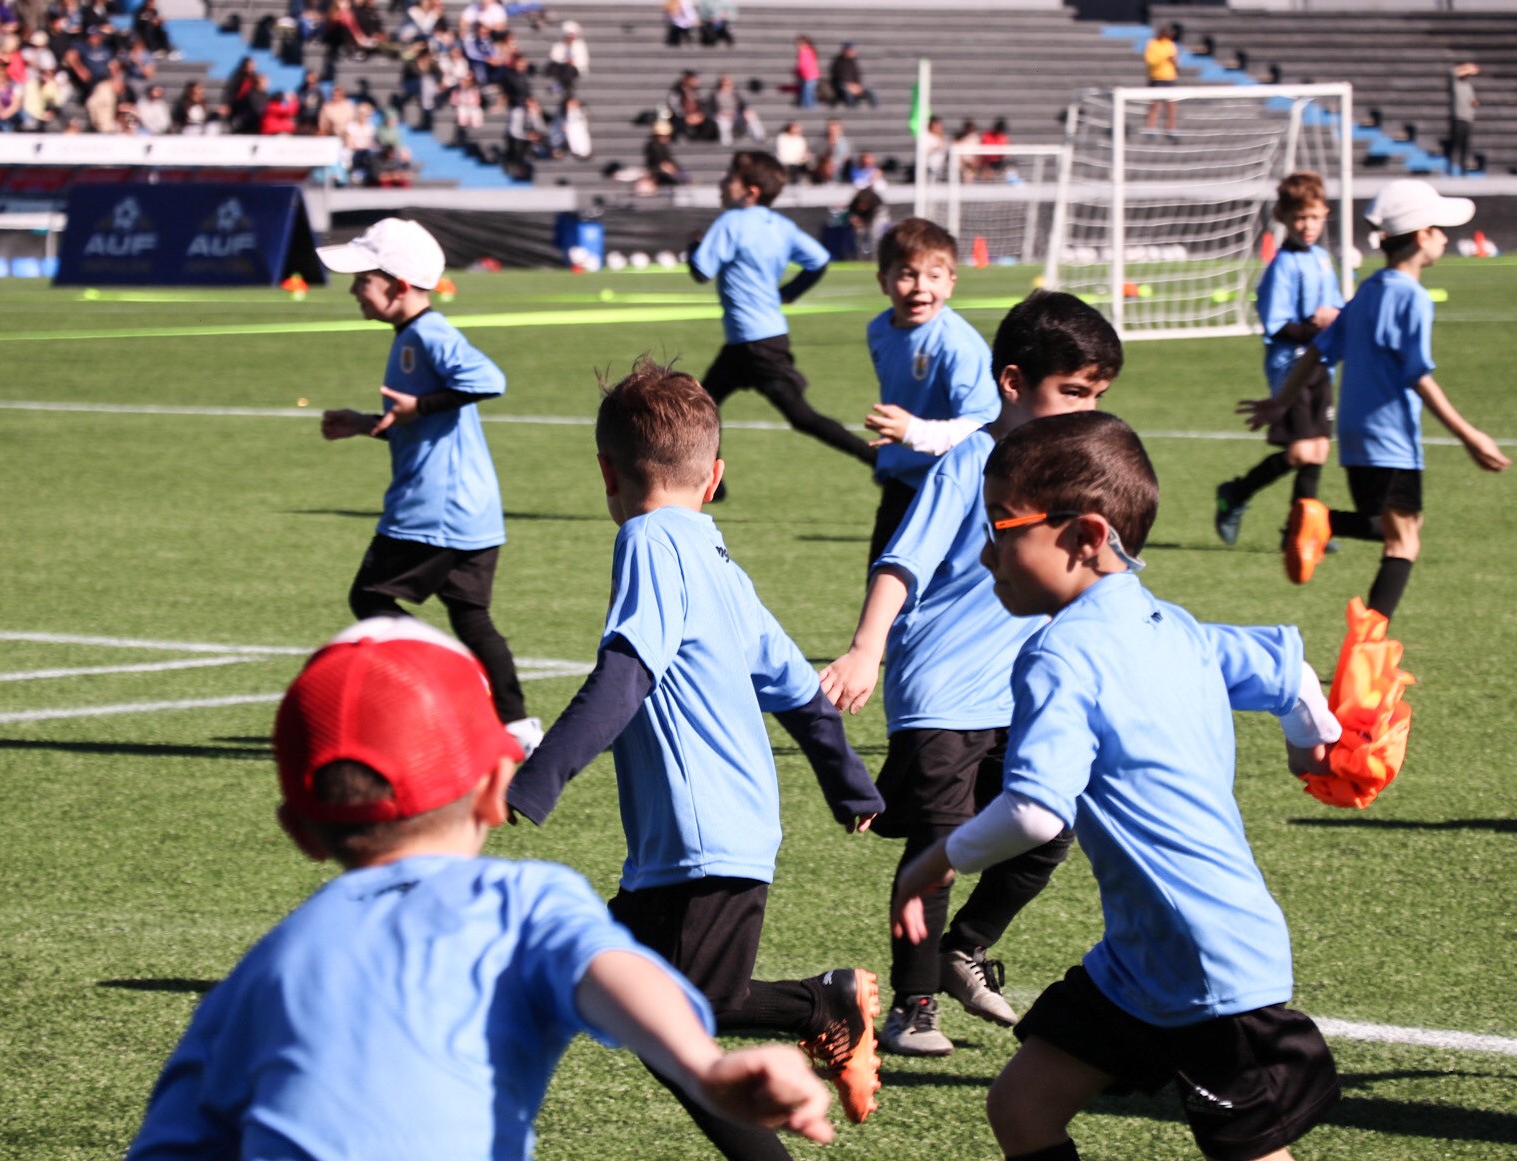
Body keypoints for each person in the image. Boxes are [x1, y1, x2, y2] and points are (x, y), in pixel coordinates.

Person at [125, 618, 836, 1160]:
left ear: (300, 831)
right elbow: (609, 970)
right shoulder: (519, 898)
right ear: (498, 788)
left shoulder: (261, 970)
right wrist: (704, 1064)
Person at [891, 410, 1346, 1161]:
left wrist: (934, 862)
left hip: (1207, 959)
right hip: (1140, 960)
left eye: (1005, 527)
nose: (985, 551)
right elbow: (1289, 672)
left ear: (1087, 536)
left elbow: (1036, 814)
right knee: (1021, 1104)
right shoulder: (1171, 625)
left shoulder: (1059, 654)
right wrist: (1310, 742)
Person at [506, 358, 887, 1154]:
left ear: (606, 473)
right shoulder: (720, 565)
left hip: (702, 841)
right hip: (699, 841)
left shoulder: (649, 539)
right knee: (626, 1005)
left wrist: (537, 778)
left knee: (683, 1017)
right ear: (715, 477)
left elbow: (626, 673)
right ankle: (819, 1009)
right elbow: (797, 689)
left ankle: (821, 1006)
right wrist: (850, 786)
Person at [823, 291, 1122, 1059]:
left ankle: (964, 949)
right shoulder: (973, 461)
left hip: (1022, 691)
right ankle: (912, 1007)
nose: (1088, 408)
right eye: (1075, 392)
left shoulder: (1075, 472)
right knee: (941, 848)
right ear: (1016, 382)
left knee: (1048, 829)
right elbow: (902, 559)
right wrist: (865, 647)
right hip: (944, 689)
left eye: (1097, 395)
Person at [317, 219, 543, 755]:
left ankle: (455, 677)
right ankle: (516, 726)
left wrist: (419, 406)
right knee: (471, 615)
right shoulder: (412, 336)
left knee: (369, 596)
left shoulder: (429, 334)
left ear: (396, 286)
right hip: (472, 510)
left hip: (432, 511)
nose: (354, 291)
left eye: (362, 280)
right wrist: (368, 421)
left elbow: (489, 380)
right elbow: (427, 421)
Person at [1242, 179, 1509, 616]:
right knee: (1404, 540)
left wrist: (1282, 401)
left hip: (1354, 435)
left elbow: (1318, 349)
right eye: (1441, 228)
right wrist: (1469, 435)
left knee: (1398, 525)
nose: (1445, 237)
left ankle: (1323, 523)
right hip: (1392, 439)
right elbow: (1417, 376)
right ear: (1422, 235)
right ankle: (1365, 652)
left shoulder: (1368, 289)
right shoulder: (1412, 298)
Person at [690, 151, 876, 497]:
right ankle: (713, 482)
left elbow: (700, 271)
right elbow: (818, 260)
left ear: (751, 191)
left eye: (729, 177)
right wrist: (789, 292)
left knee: (797, 416)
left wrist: (694, 246)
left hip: (752, 345)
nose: (721, 183)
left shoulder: (731, 223)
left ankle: (874, 458)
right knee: (702, 403)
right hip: (764, 339)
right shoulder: (780, 226)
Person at [852, 218, 998, 564]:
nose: (920, 287)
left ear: (951, 283)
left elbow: (985, 429)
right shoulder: (880, 330)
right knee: (884, 586)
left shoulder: (958, 346)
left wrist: (914, 432)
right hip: (902, 483)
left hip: (952, 488)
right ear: (882, 281)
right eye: (906, 274)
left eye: (934, 276)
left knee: (936, 599)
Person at [1215, 172, 1343, 550]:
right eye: (1300, 218)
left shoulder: (1322, 258)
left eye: (1314, 217)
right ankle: (1236, 493)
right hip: (1292, 366)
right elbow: (1277, 326)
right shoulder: (1283, 265)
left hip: (1323, 362)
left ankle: (1301, 529)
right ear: (1284, 217)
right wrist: (1316, 325)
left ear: (1325, 214)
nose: (1307, 225)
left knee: (1318, 448)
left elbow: (1334, 309)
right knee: (1304, 450)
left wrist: (1337, 319)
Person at [1143, 24, 1178, 141]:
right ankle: (1150, 128)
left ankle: (1170, 129)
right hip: (1157, 78)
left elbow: (1175, 60)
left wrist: (1174, 61)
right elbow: (1150, 60)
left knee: (1171, 105)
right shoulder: (1153, 44)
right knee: (1155, 105)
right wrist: (1164, 57)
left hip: (1169, 78)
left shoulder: (1171, 44)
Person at [1447, 62, 1479, 176]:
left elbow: (1471, 100)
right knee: (1455, 145)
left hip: (1468, 119)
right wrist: (1467, 68)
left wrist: (1474, 103)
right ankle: (1450, 169)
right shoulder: (1456, 85)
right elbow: (1452, 72)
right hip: (1458, 118)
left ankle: (1463, 170)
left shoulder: (1468, 86)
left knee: (1466, 146)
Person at [828, 42, 875, 109]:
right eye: (851, 50)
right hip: (840, 85)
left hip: (853, 86)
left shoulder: (853, 61)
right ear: (845, 50)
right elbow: (838, 76)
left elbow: (857, 75)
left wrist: (858, 86)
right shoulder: (837, 61)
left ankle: (875, 109)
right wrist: (850, 86)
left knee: (870, 91)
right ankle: (851, 109)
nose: (853, 51)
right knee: (847, 91)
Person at [792, 34, 819, 108]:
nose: (798, 45)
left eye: (800, 44)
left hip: (808, 75)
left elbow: (803, 64)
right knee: (810, 92)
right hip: (812, 75)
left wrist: (797, 71)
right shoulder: (811, 51)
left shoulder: (804, 52)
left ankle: (808, 107)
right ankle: (812, 106)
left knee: (807, 93)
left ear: (806, 44)